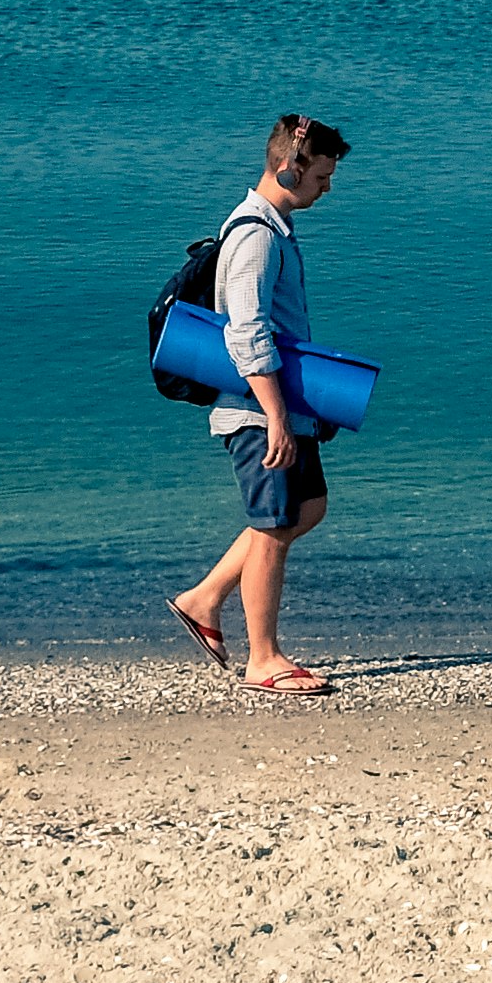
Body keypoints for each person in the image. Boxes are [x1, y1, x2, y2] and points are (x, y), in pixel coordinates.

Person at [170, 112, 352, 695]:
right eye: (322, 176)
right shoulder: (254, 234)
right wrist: (276, 415)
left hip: (281, 406)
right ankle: (263, 659)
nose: (327, 187)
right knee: (272, 526)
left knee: (309, 507)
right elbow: (245, 332)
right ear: (287, 167)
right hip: (257, 410)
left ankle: (203, 599)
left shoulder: (275, 228)